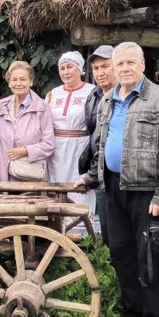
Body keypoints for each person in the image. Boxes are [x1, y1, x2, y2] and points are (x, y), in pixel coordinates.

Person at [75, 42, 159, 317]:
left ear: (143, 64)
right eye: (120, 65)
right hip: (112, 187)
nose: (124, 69)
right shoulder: (108, 100)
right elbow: (102, 145)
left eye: (130, 63)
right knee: (119, 250)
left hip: (145, 191)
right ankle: (131, 310)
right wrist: (93, 178)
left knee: (148, 253)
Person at [47, 51, 97, 212]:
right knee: (56, 186)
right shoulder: (53, 94)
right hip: (56, 150)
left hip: (80, 147)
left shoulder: (92, 92)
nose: (66, 72)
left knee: (78, 185)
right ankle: (56, 226)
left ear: (80, 69)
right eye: (62, 68)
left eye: (70, 67)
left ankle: (80, 226)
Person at [78, 44, 117, 243]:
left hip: (124, 176)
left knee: (125, 230)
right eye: (96, 68)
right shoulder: (93, 97)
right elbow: (93, 135)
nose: (100, 72)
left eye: (105, 66)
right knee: (109, 229)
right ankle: (113, 267)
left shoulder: (126, 96)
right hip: (101, 174)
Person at [0, 60, 55, 182]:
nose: (18, 83)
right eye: (14, 79)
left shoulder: (42, 107)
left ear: (31, 81)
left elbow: (49, 144)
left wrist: (25, 151)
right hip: (2, 175)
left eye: (23, 79)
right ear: (9, 83)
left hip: (29, 176)